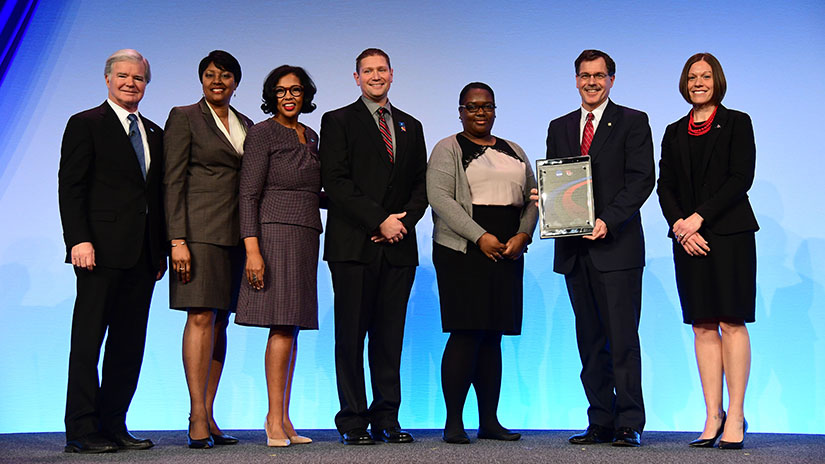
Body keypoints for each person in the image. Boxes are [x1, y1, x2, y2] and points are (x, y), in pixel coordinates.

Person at [543, 49, 654, 447]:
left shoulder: (632, 121)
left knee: (622, 339)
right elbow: (559, 181)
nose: (592, 82)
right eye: (585, 75)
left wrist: (608, 219)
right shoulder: (560, 126)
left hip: (618, 247)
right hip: (576, 252)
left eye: (599, 75)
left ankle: (629, 421)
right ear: (575, 79)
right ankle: (600, 420)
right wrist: (547, 200)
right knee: (589, 341)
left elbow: (642, 180)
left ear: (611, 79)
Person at [58, 49, 166, 454]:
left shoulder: (154, 131)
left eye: (137, 78)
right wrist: (78, 240)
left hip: (143, 256)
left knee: (128, 344)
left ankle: (114, 424)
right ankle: (82, 430)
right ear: (107, 79)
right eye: (122, 76)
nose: (129, 83)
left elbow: (156, 195)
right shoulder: (85, 124)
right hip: (98, 252)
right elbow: (71, 188)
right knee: (88, 343)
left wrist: (160, 250)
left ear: (145, 83)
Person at [319, 48, 428, 445]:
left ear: (392, 74)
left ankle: (387, 419)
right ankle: (353, 422)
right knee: (351, 336)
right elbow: (335, 180)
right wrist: (378, 219)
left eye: (381, 69)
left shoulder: (410, 126)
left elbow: (422, 184)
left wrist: (401, 222)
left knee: (389, 337)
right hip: (353, 246)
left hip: (398, 247)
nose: (376, 76)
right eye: (368, 70)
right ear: (356, 77)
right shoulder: (337, 121)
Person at [657, 53, 757, 450]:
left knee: (731, 321)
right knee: (702, 325)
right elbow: (665, 186)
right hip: (688, 239)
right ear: (685, 83)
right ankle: (712, 414)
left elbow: (740, 178)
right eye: (692, 76)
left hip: (729, 234)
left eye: (706, 76)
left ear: (717, 80)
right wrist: (681, 227)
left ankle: (736, 415)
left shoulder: (738, 122)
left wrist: (698, 218)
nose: (699, 82)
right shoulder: (673, 130)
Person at [427, 82, 537, 444]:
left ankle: (489, 421)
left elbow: (534, 197)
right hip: (463, 251)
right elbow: (441, 199)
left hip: (508, 249)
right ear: (460, 111)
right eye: (472, 107)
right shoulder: (448, 148)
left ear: (495, 110)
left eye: (487, 106)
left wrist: (523, 235)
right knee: (466, 332)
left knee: (493, 336)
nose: (480, 112)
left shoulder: (514, 149)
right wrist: (480, 237)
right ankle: (454, 422)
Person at [163, 50, 252, 449]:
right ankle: (196, 414)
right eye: (211, 75)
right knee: (200, 317)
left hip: (236, 236)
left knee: (221, 323)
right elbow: (172, 181)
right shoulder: (184, 117)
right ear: (201, 79)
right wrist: (177, 240)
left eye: (226, 75)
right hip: (197, 235)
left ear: (236, 82)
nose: (218, 81)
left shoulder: (246, 123)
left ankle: (210, 413)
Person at [235, 65, 321, 448]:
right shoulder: (262, 133)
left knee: (294, 324)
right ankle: (271, 418)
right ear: (272, 95)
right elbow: (248, 194)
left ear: (305, 95)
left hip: (306, 233)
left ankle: (285, 418)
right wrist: (252, 249)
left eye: (296, 90)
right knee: (281, 324)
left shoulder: (311, 136)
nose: (289, 96)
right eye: (282, 91)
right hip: (274, 233)